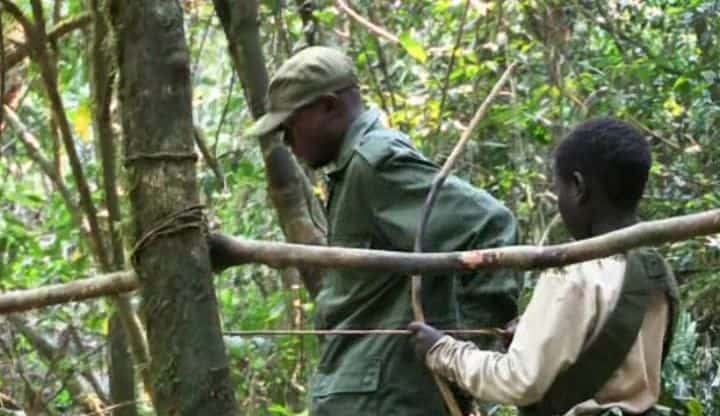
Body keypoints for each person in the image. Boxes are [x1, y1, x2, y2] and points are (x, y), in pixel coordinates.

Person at [209, 46, 521, 415]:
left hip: (389, 397)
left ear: (328, 106)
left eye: (289, 126)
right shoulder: (353, 168)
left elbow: (490, 225)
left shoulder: (374, 162)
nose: (286, 141)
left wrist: (464, 352)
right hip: (367, 393)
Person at [409, 118, 679, 415]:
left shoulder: (573, 271)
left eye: (559, 189)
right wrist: (529, 335)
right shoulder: (656, 267)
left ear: (578, 187)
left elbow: (517, 381)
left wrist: (442, 351)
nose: (558, 201)